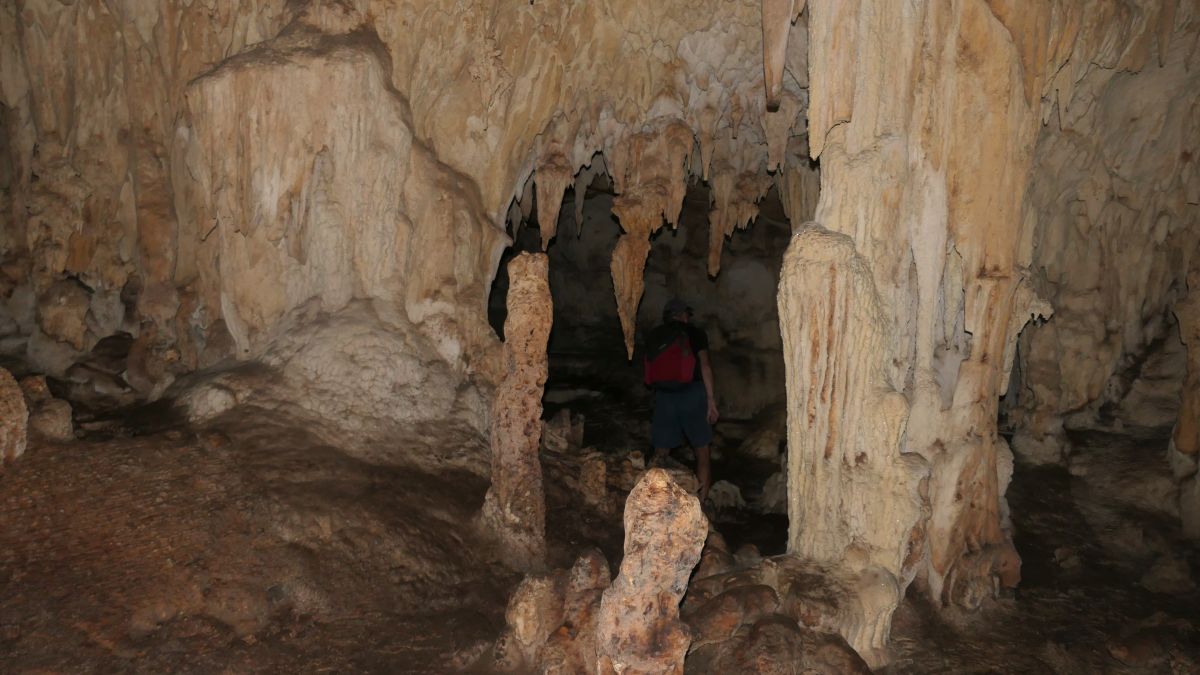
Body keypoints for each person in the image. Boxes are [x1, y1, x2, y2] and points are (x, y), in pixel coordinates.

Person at [643, 297, 718, 502]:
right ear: (683, 315)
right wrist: (711, 401)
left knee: (661, 451)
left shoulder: (655, 334)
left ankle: (655, 501)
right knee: (702, 450)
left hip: (664, 396)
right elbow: (705, 366)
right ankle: (701, 504)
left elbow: (649, 369)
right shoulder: (694, 333)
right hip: (692, 395)